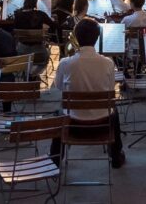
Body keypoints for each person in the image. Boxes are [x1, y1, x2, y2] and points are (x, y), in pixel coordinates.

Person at [51, 19, 125, 167]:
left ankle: (55, 159)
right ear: (97, 38)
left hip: (73, 124)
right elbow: (111, 89)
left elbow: (59, 87)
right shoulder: (108, 63)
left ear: (76, 38)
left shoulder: (65, 63)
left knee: (58, 113)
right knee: (114, 112)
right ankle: (116, 155)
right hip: (102, 123)